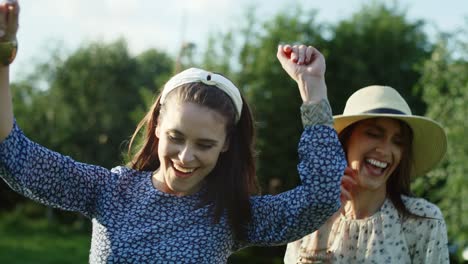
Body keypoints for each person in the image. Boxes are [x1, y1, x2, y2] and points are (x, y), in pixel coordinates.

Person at [0, 1, 347, 263]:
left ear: (226, 145)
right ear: (157, 128)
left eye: (205, 144)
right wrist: (3, 57)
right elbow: (16, 156)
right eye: (176, 137)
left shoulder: (230, 213)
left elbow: (320, 199)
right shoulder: (110, 190)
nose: (185, 156)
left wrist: (312, 89)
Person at [284, 85, 450, 263]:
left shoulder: (424, 220)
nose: (386, 151)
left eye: (398, 142)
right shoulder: (305, 217)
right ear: (345, 141)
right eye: (373, 134)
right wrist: (320, 232)